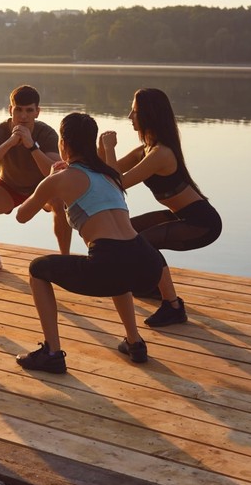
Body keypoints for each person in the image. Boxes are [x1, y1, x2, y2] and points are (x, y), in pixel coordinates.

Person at [15, 112, 165, 374]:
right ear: (91, 142)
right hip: (148, 263)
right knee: (119, 271)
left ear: (64, 144)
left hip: (110, 260)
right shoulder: (109, 176)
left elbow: (22, 215)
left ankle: (51, 352)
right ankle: (135, 342)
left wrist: (49, 180)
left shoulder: (59, 178)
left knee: (37, 270)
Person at [98, 87, 222, 328]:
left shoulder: (161, 153)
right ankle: (155, 286)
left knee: (143, 242)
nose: (129, 117)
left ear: (148, 115)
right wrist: (99, 151)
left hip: (202, 223)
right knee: (128, 230)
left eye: (134, 112)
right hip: (179, 216)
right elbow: (108, 172)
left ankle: (173, 306)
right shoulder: (145, 150)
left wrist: (110, 149)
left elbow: (117, 184)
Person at [0, 84, 71, 273]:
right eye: (19, 110)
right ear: (10, 110)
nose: (23, 116)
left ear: (37, 112)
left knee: (59, 201)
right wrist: (9, 143)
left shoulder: (46, 133)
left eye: (29, 110)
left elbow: (57, 174)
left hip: (42, 187)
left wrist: (32, 146)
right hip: (9, 186)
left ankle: (65, 260)